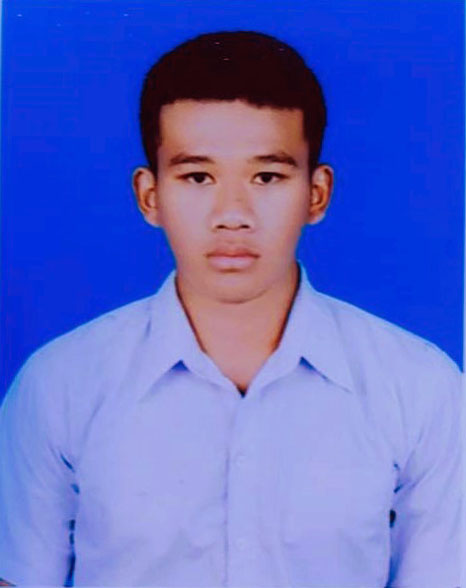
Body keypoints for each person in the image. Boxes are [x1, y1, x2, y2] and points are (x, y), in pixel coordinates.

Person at [0, 31, 461, 588]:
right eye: (198, 177)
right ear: (150, 195)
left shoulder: (420, 386)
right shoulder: (59, 384)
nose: (233, 214)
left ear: (316, 193)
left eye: (267, 177)